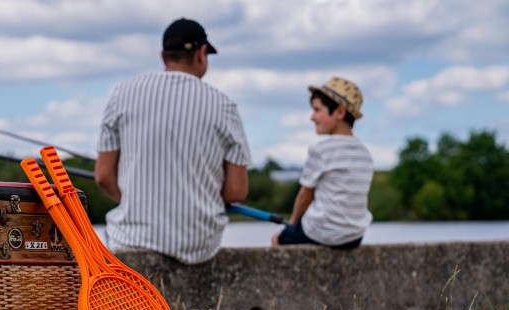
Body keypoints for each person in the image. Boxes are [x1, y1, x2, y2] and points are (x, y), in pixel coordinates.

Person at [95, 18, 251, 265]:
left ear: (163, 56)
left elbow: (103, 176)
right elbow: (236, 191)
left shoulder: (122, 94)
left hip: (130, 240)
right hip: (199, 247)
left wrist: (138, 203)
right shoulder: (224, 106)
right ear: (201, 54)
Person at [272, 76, 374, 249]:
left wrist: (292, 224)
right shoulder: (365, 154)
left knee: (278, 239)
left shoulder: (321, 149)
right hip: (354, 235)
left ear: (340, 112)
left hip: (321, 232)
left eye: (317, 110)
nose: (313, 117)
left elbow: (305, 195)